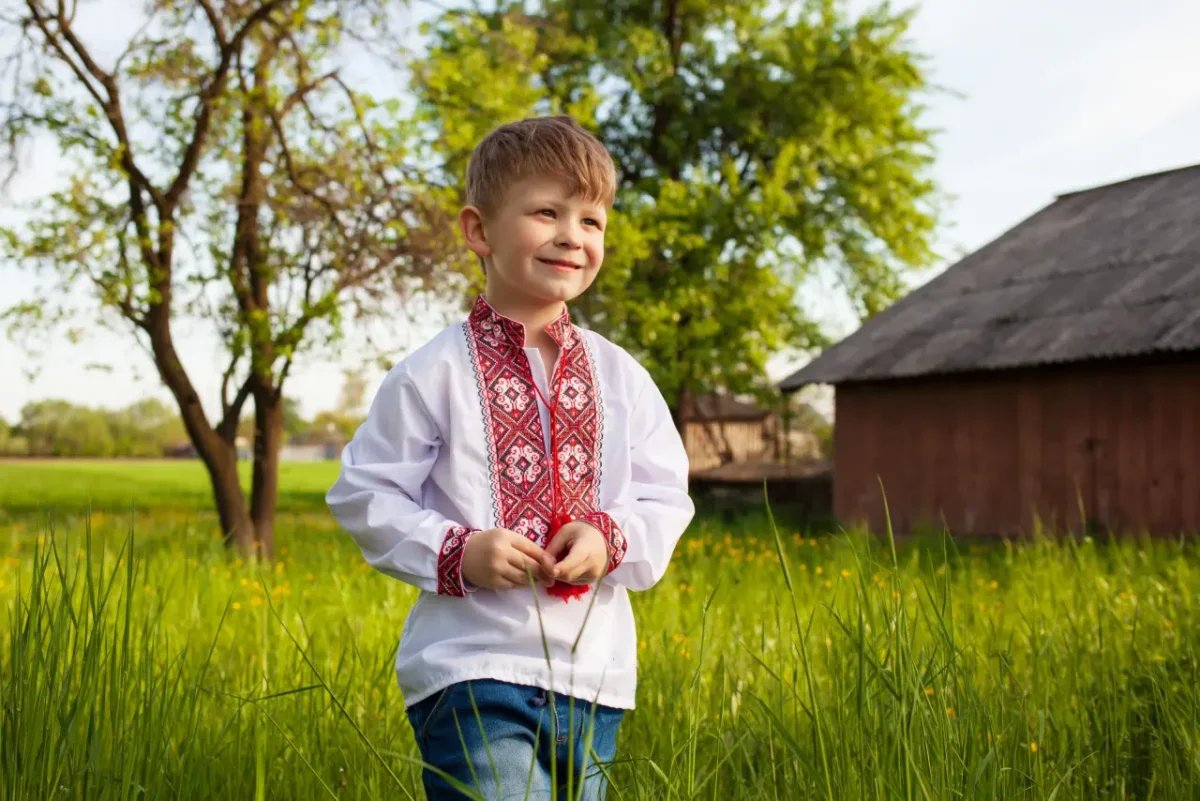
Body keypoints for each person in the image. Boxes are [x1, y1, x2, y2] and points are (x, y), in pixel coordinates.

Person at [326, 115, 695, 800]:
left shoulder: (621, 376)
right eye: (547, 212)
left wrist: (608, 537)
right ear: (479, 231)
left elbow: (665, 497)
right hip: (471, 670)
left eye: (592, 220)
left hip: (595, 678)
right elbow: (365, 493)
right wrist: (456, 550)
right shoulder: (432, 372)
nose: (573, 235)